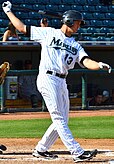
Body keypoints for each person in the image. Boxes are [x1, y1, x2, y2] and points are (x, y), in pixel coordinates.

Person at [2, 1, 112, 162]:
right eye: (77, 23)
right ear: (68, 21)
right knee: (59, 117)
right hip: (47, 78)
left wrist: (99, 65)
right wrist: (8, 12)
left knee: (63, 119)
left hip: (62, 81)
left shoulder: (75, 45)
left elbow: (86, 61)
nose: (79, 26)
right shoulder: (48, 33)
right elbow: (22, 28)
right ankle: (77, 152)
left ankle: (41, 149)